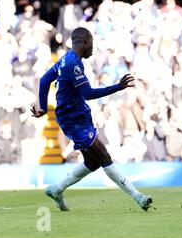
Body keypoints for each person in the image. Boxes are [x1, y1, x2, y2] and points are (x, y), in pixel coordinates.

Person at [31, 27, 152, 211]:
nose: (93, 49)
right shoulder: (73, 64)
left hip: (76, 116)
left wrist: (41, 106)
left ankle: (57, 189)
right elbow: (87, 93)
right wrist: (117, 87)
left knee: (93, 162)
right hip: (73, 119)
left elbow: (44, 80)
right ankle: (138, 197)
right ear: (85, 41)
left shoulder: (64, 60)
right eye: (92, 44)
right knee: (104, 155)